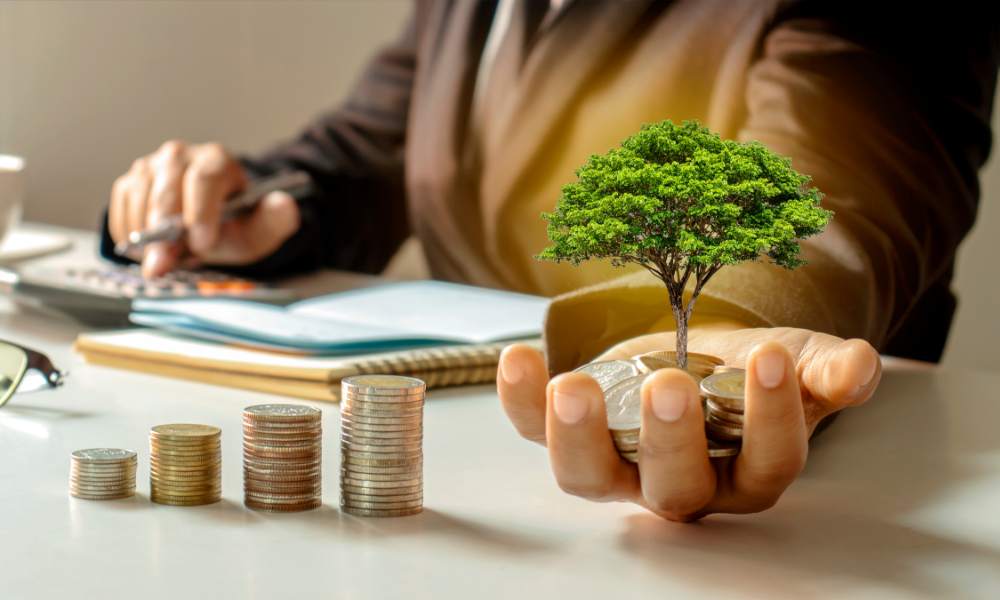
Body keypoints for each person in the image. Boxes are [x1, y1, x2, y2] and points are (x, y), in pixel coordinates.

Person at [102, 1, 999, 521]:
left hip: (841, 519)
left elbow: (846, 170)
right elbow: (379, 148)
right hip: (474, 481)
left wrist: (724, 317)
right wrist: (262, 205)